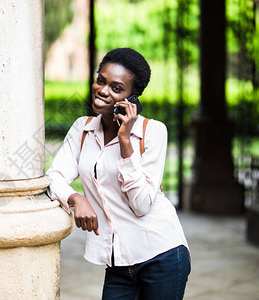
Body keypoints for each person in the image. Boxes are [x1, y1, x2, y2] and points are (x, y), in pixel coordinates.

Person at [46, 48, 190, 300]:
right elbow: (54, 175)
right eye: (101, 80)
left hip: (162, 255)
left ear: (132, 98)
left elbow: (142, 204)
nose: (103, 90)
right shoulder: (82, 129)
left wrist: (126, 143)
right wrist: (76, 198)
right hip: (118, 262)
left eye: (116, 88)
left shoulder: (153, 132)